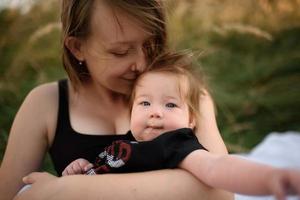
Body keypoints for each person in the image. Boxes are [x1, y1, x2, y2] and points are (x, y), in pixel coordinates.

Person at [0, 1, 232, 200]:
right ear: (78, 47)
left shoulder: (185, 96)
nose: (141, 64)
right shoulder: (46, 103)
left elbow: (221, 190)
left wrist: (70, 190)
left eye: (150, 45)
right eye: (120, 52)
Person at [61, 52, 300, 200]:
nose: (155, 112)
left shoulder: (177, 144)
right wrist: (82, 167)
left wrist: (270, 178)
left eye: (171, 105)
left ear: (191, 120)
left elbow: (216, 167)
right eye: (144, 102)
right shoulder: (122, 143)